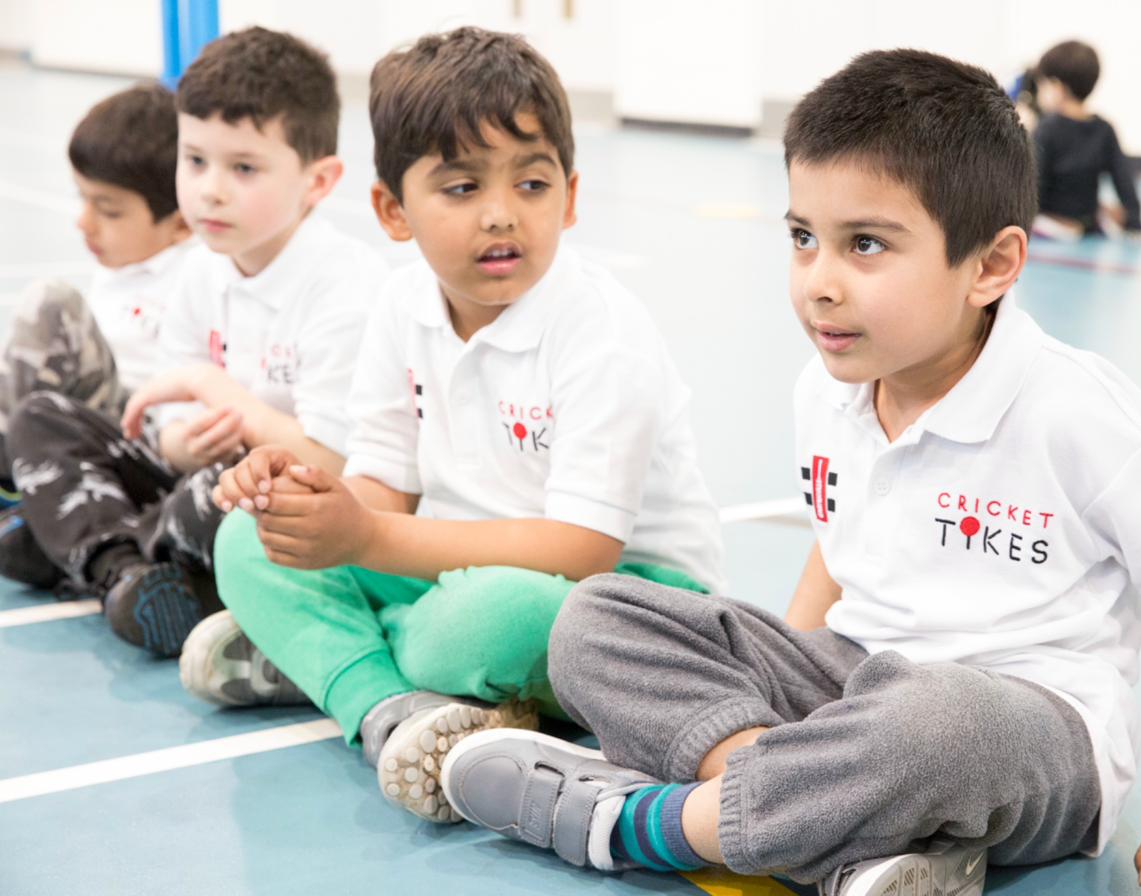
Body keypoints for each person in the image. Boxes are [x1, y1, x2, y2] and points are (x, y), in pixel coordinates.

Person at [441, 48, 1141, 896]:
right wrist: (782, 663)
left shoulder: (1072, 410)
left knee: (937, 722)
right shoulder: (826, 390)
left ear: (991, 266)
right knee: (594, 618)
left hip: (1025, 728)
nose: (818, 284)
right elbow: (843, 538)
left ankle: (649, 826)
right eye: (803, 239)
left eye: (865, 245)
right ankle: (840, 835)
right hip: (853, 677)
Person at [182, 26, 724, 825]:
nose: (501, 215)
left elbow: (581, 549)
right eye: (462, 188)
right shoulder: (401, 307)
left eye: (531, 185)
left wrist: (361, 541)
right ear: (392, 211)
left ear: (570, 197)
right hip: (451, 561)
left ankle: (335, 658)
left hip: (624, 601)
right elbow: (383, 490)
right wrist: (306, 498)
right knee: (244, 538)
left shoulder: (602, 332)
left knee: (482, 623)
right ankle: (389, 709)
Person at [1, 27, 385, 657]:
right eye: (196, 160)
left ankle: (88, 547)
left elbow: (338, 467)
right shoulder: (202, 269)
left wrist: (228, 402)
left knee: (229, 492)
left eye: (243, 168)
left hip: (266, 497)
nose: (209, 188)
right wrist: (177, 440)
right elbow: (166, 427)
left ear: (317, 182)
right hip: (188, 483)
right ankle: (125, 572)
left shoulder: (345, 287)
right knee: (42, 419)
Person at [0, 83, 191, 586]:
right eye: (82, 200)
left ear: (181, 224)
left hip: (139, 444)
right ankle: (31, 501)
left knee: (49, 302)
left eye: (108, 210)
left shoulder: (198, 274)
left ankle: (24, 492)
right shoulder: (122, 262)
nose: (83, 222)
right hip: (81, 428)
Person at [1032, 40, 1141, 239]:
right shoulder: (1104, 128)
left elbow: (1033, 183)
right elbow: (1123, 178)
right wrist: (1134, 222)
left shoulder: (1047, 128)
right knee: (1103, 210)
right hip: (1088, 222)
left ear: (1057, 87)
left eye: (1042, 85)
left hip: (1054, 222)